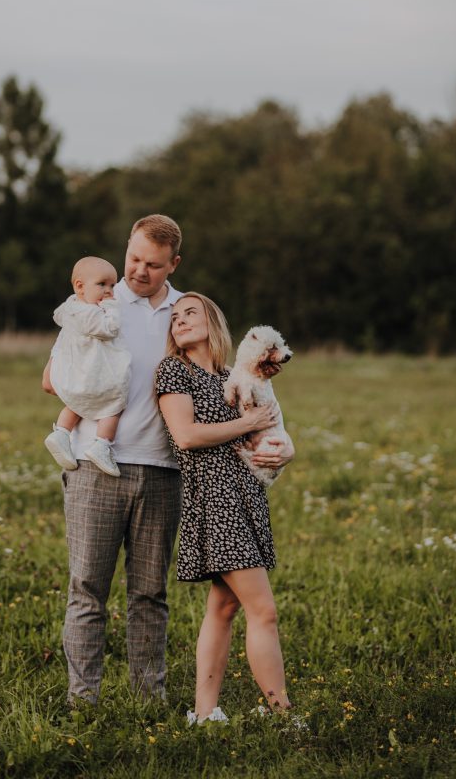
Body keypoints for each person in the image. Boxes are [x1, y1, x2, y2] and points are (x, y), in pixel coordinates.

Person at [43, 215, 183, 704]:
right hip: (93, 464)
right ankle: (83, 702)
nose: (140, 271)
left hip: (164, 470)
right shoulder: (98, 299)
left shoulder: (185, 312)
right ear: (127, 247)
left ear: (173, 265)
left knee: (150, 595)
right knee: (87, 590)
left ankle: (150, 702)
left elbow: (216, 375)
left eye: (154, 265)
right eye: (135, 259)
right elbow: (51, 376)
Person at [155, 292, 295, 724]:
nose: (179, 320)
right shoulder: (173, 371)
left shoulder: (234, 375)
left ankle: (203, 712)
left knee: (224, 607)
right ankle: (283, 716)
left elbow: (271, 428)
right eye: (174, 317)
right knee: (263, 610)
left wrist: (284, 451)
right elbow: (186, 435)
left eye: (189, 313)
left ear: (212, 320)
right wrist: (247, 424)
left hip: (247, 496)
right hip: (215, 501)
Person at [43, 256, 131, 478]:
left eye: (112, 285)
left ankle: (62, 433)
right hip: (91, 373)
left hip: (73, 372)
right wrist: (112, 308)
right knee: (115, 404)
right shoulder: (91, 313)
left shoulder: (71, 308)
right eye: (102, 284)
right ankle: (102, 444)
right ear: (80, 287)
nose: (109, 291)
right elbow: (109, 329)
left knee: (76, 403)